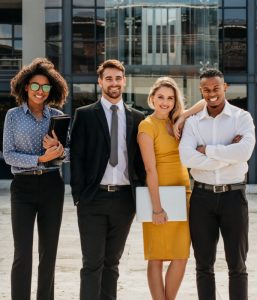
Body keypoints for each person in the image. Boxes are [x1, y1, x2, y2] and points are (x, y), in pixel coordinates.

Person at [70, 59, 146, 300]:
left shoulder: (138, 117)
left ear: (124, 81)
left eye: (118, 78)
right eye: (109, 78)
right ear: (100, 81)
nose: (114, 83)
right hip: (93, 198)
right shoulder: (84, 115)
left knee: (112, 263)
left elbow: (141, 162)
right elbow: (77, 157)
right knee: (92, 264)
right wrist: (80, 195)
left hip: (124, 200)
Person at [179, 69, 255, 300]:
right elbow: (187, 158)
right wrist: (227, 155)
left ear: (225, 88)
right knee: (203, 265)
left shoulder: (242, 118)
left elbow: (244, 152)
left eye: (216, 88)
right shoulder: (193, 123)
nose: (212, 94)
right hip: (202, 200)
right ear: (201, 91)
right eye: (206, 89)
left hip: (234, 197)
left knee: (237, 264)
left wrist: (208, 151)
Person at [3, 57, 69, 300]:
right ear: (25, 86)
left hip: (52, 186)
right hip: (23, 188)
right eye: (35, 85)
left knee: (48, 252)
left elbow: (69, 153)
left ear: (52, 89)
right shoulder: (13, 116)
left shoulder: (58, 116)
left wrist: (59, 150)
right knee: (22, 253)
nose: (40, 91)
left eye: (45, 86)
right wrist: (41, 159)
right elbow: (9, 155)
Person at [137, 76, 205, 300]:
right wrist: (156, 208)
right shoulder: (147, 126)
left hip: (183, 193)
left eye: (170, 98)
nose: (165, 102)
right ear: (152, 98)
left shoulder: (178, 121)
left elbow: (205, 102)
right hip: (160, 195)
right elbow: (150, 169)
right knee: (156, 256)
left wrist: (182, 116)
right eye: (160, 97)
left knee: (181, 255)